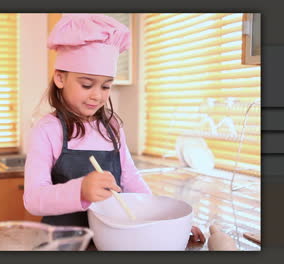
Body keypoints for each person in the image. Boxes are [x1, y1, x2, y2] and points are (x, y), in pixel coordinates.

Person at [23, 13, 205, 244]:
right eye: (86, 84)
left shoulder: (112, 127)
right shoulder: (47, 130)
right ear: (60, 78)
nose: (97, 95)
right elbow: (33, 199)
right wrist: (80, 190)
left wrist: (169, 225)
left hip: (110, 240)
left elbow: (130, 179)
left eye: (106, 86)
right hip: (63, 244)